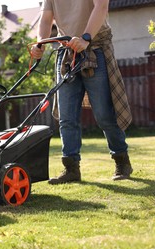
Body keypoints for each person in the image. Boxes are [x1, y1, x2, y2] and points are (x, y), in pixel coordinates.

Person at [31, 0, 133, 184]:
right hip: (67, 52)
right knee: (67, 117)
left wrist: (85, 38)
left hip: (95, 47)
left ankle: (122, 161)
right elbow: (46, 18)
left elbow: (101, 7)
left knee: (104, 114)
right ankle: (71, 169)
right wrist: (40, 43)